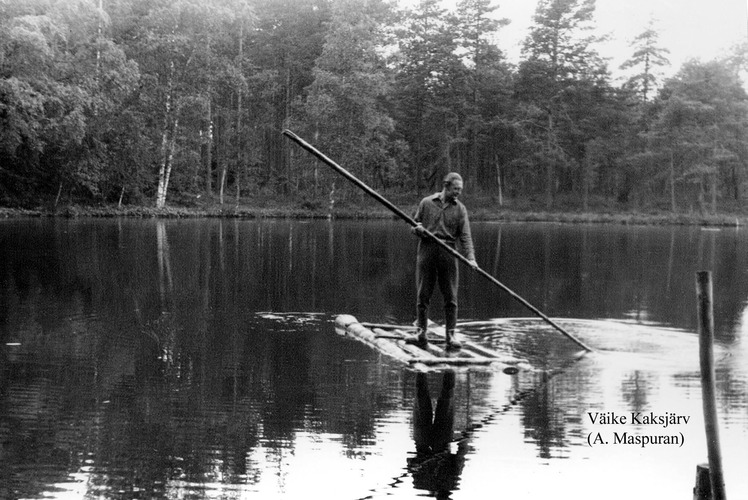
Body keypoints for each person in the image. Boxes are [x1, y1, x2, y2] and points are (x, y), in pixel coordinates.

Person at [409, 172, 478, 350]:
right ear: (446, 186)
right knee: (423, 294)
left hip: (449, 253)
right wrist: (418, 230)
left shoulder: (460, 209)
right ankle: (421, 333)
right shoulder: (426, 203)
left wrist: (471, 259)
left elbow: (465, 236)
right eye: (456, 189)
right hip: (427, 250)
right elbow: (414, 225)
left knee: (451, 296)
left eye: (460, 190)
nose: (458, 193)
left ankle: (450, 335)